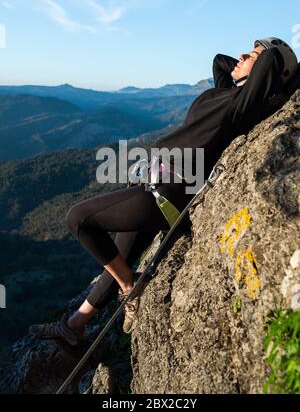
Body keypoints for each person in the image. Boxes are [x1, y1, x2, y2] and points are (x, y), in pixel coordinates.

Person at [30, 37, 298, 347]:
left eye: (252, 55)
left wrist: (275, 57)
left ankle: (131, 289)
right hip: (150, 184)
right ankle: (75, 326)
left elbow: (268, 67)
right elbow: (219, 60)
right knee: (117, 261)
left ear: (269, 70)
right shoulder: (225, 93)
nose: (240, 55)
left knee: (79, 219)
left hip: (164, 196)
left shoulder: (243, 107)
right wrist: (255, 56)